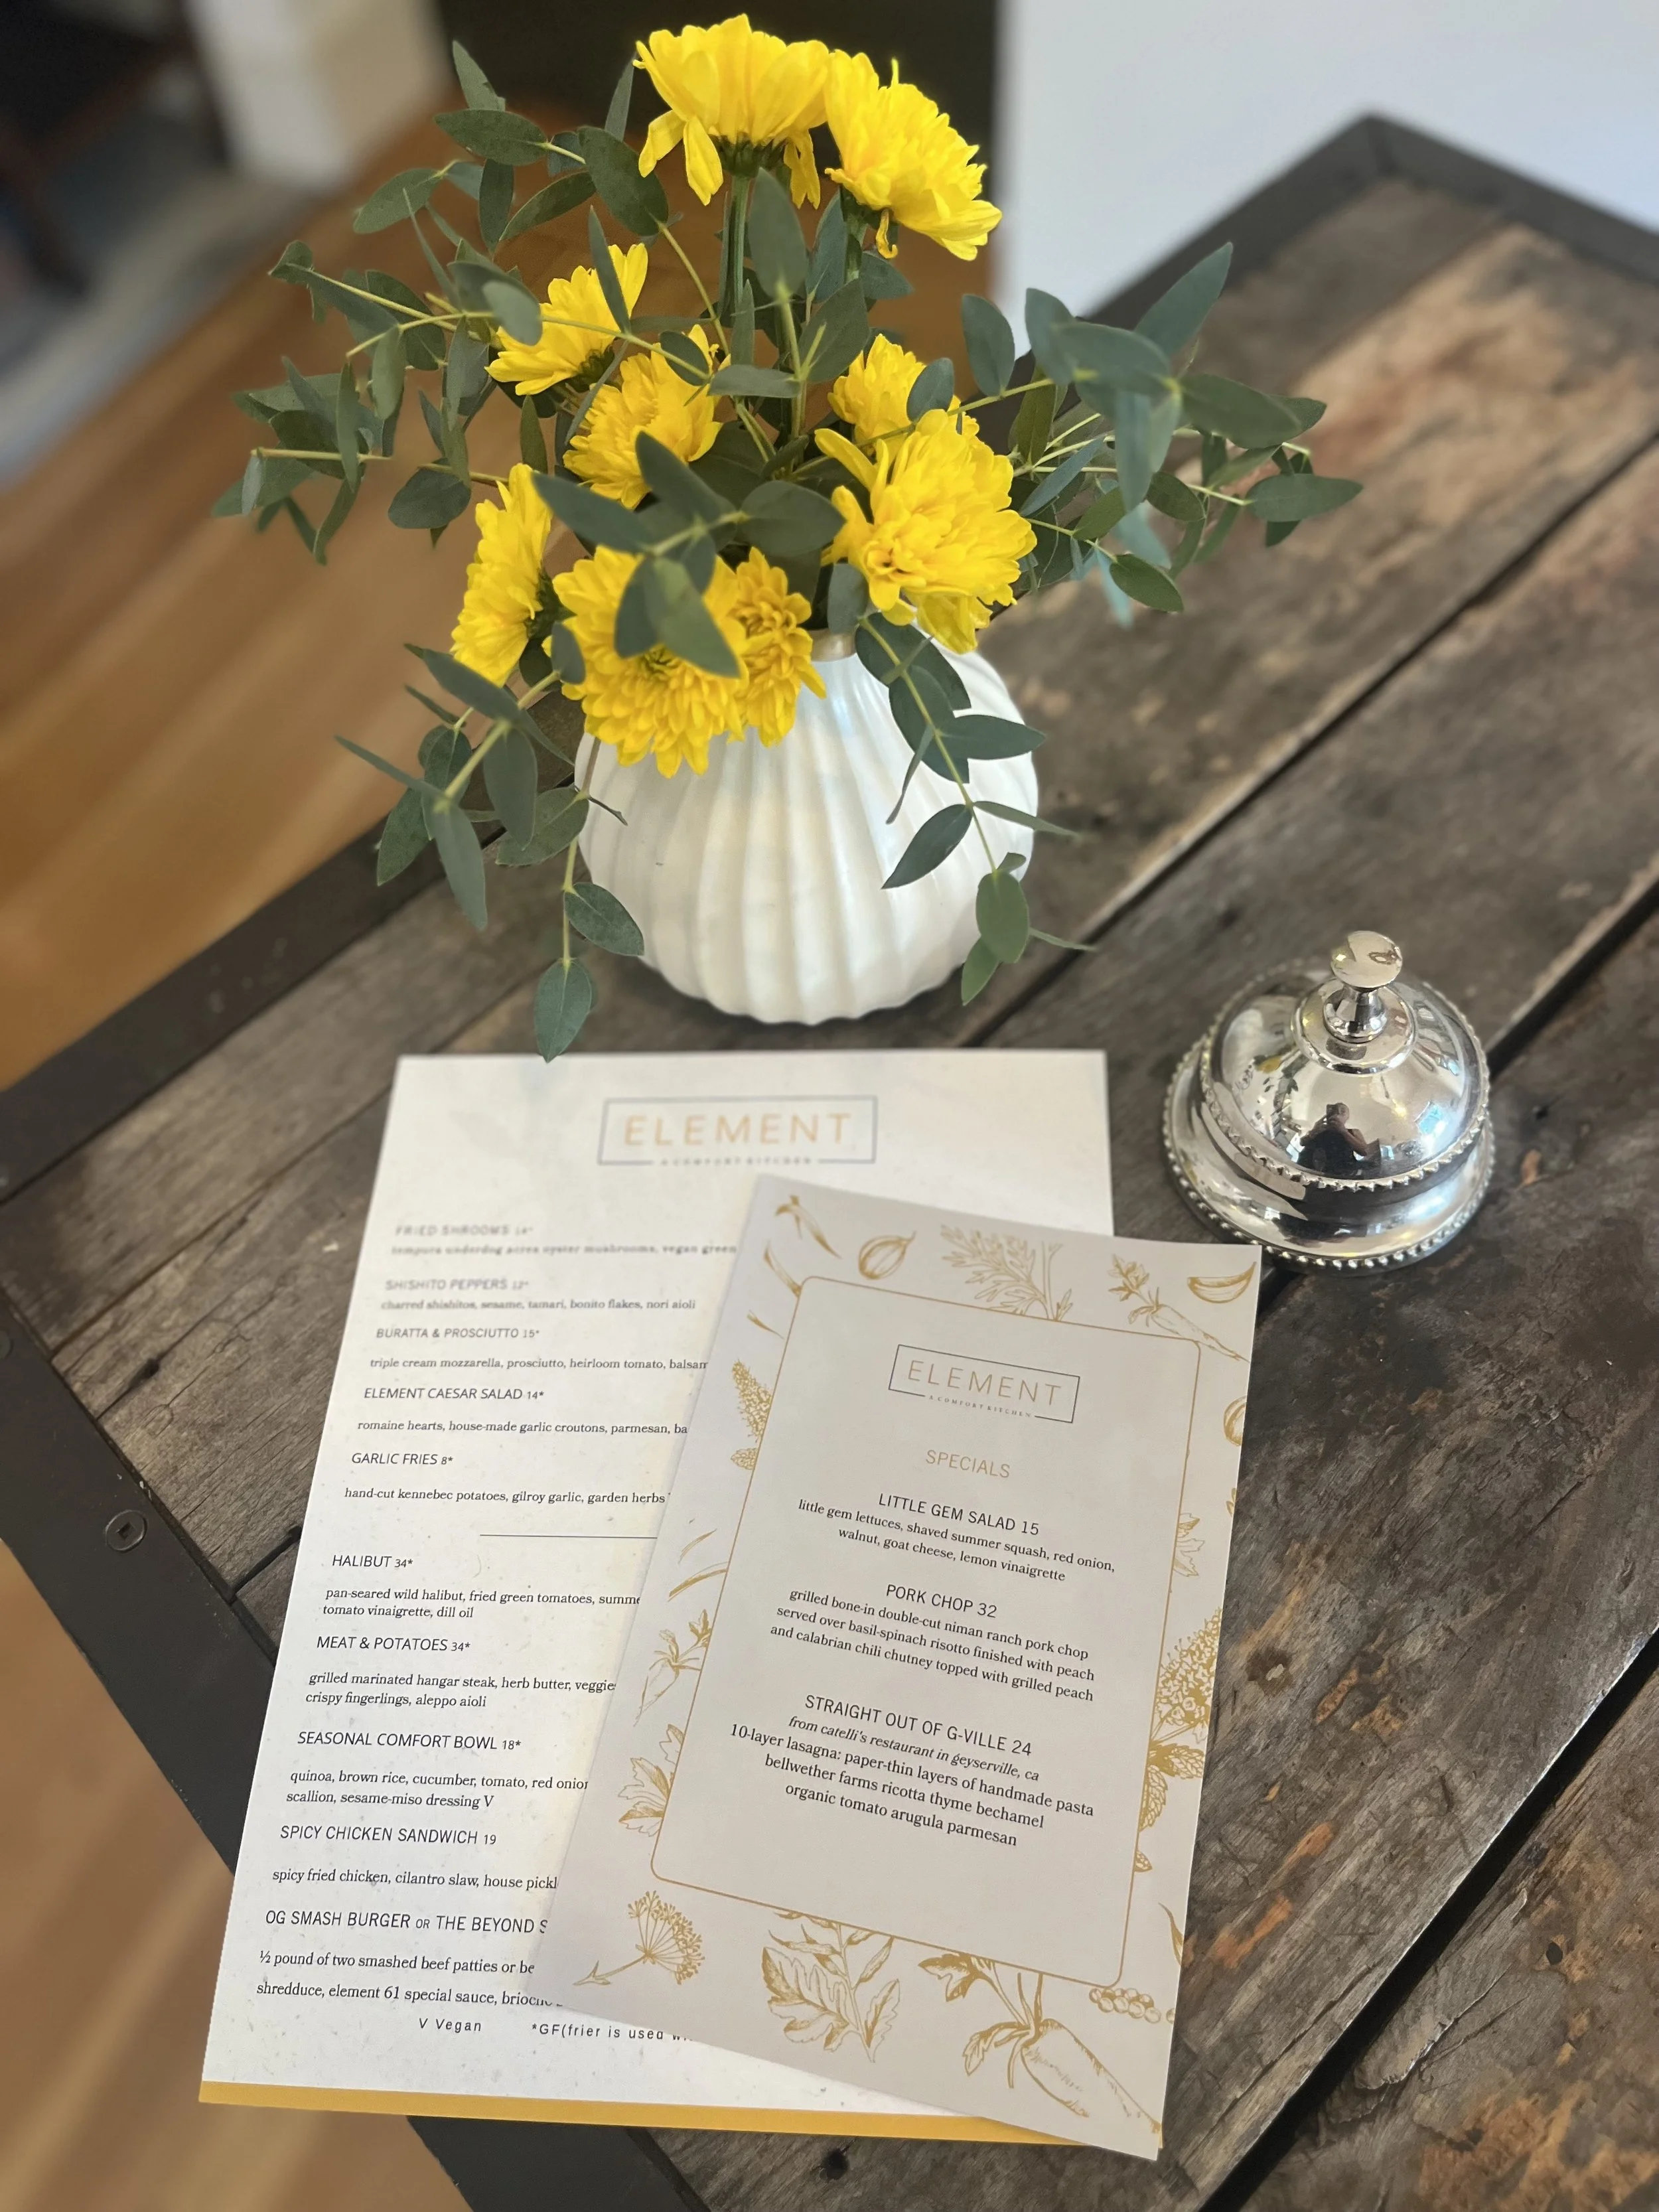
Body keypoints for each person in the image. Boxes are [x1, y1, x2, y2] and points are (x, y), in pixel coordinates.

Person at [1299, 1100, 1377, 1177]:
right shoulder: (1319, 1130)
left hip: (1346, 1172)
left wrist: (1344, 1132)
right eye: (1333, 1111)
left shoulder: (1353, 1132)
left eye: (1342, 1111)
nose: (1338, 1114)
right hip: (1317, 1173)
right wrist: (1313, 1132)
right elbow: (1302, 1143)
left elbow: (1365, 1152)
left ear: (1347, 1117)